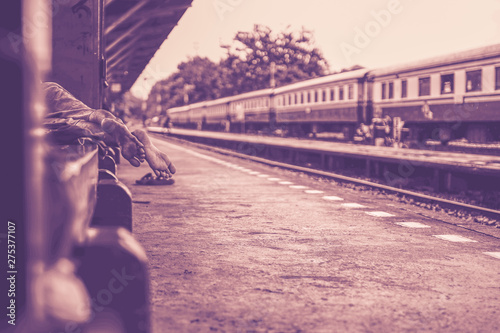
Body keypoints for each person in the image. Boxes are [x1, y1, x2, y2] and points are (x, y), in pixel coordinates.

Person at [42, 82, 176, 179]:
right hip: (44, 87)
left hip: (24, 92)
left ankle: (119, 133)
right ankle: (122, 131)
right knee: (89, 114)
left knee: (44, 126)